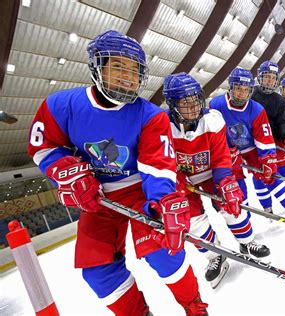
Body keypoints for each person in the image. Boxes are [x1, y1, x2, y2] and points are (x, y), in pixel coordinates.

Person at [27, 30, 207, 316]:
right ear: (97, 66)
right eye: (118, 66)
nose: (128, 76)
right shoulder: (60, 106)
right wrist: (64, 169)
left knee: (165, 254)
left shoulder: (151, 115)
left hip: (140, 191)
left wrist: (162, 202)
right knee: (97, 271)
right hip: (96, 197)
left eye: (135, 70)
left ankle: (194, 307)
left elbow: (157, 165)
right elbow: (43, 145)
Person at [163, 72, 270, 289]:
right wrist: (174, 175)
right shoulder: (161, 125)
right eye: (185, 103)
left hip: (213, 173)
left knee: (232, 205)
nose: (193, 107)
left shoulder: (212, 119)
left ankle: (247, 243)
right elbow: (160, 157)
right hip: (183, 181)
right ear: (172, 105)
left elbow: (221, 155)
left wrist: (226, 181)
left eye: (195, 101)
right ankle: (215, 256)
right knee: (191, 220)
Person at [210, 67, 285, 223]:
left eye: (245, 89)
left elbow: (264, 136)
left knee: (271, 177)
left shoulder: (256, 109)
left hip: (252, 147)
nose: (241, 93)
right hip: (228, 151)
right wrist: (225, 151)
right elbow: (212, 133)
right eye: (238, 88)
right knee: (235, 186)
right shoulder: (216, 105)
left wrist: (267, 159)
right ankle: (243, 219)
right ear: (230, 87)